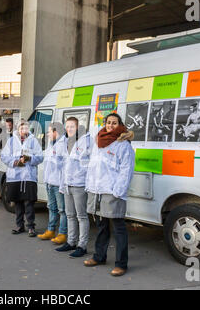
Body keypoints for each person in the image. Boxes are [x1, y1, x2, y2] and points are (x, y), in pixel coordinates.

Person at [83, 113, 135, 277]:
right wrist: (89, 185)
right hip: (97, 190)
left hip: (113, 192)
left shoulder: (123, 144)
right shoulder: (98, 141)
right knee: (101, 226)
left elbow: (126, 170)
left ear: (119, 125)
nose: (110, 125)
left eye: (114, 123)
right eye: (108, 122)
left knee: (119, 228)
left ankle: (121, 264)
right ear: (104, 124)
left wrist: (117, 191)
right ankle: (99, 257)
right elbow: (93, 166)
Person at [56, 117, 92, 258]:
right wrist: (62, 183)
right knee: (70, 215)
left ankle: (82, 246)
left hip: (79, 184)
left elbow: (87, 164)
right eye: (67, 127)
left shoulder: (84, 141)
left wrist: (78, 175)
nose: (69, 129)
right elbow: (63, 165)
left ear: (77, 128)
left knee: (81, 216)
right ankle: (71, 242)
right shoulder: (65, 142)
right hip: (67, 184)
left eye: (72, 126)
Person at [1, 120, 43, 237]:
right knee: (18, 202)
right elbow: (4, 156)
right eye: (20, 128)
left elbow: (40, 157)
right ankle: (20, 226)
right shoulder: (11, 141)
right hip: (15, 177)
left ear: (27, 129)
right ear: (18, 129)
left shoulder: (33, 141)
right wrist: (15, 162)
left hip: (28, 176)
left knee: (29, 202)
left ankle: (31, 227)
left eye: (24, 128)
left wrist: (30, 158)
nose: (22, 130)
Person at [37, 123, 67, 245]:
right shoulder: (51, 144)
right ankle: (50, 230)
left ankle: (62, 233)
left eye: (49, 132)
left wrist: (62, 184)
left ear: (56, 132)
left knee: (62, 210)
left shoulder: (64, 144)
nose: (48, 134)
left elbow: (64, 166)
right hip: (50, 182)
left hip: (58, 183)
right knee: (51, 207)